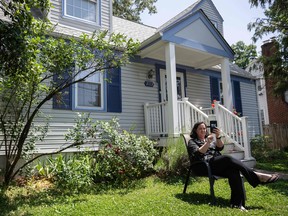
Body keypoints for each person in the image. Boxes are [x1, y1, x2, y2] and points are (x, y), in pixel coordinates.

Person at [188, 121, 279, 211]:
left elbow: (220, 147)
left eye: (204, 128)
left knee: (233, 171)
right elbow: (198, 154)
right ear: (195, 130)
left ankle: (236, 204)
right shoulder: (192, 141)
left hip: (215, 165)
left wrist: (218, 137)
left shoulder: (209, 139)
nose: (203, 130)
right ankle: (256, 176)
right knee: (227, 158)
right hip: (202, 166)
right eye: (200, 128)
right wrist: (207, 143)